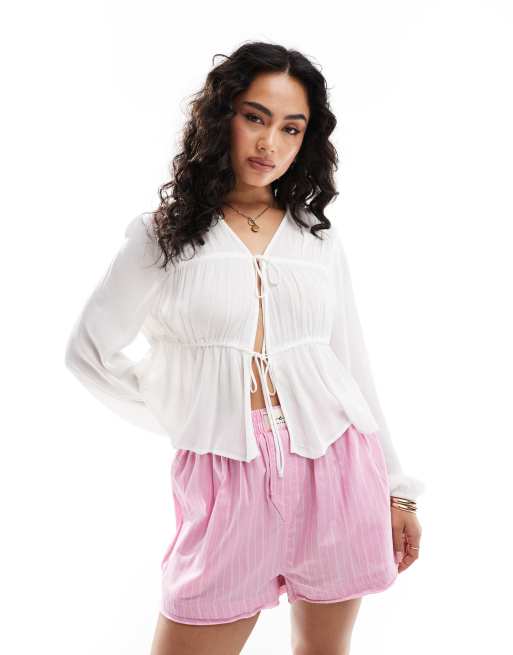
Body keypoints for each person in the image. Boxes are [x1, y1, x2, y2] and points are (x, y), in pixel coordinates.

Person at [64, 41, 426, 655]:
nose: (269, 143)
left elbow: (351, 364)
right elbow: (89, 352)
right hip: (226, 475)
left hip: (336, 465)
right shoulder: (165, 236)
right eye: (255, 117)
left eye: (291, 128)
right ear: (221, 117)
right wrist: (189, 412)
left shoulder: (315, 238)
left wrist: (398, 488)